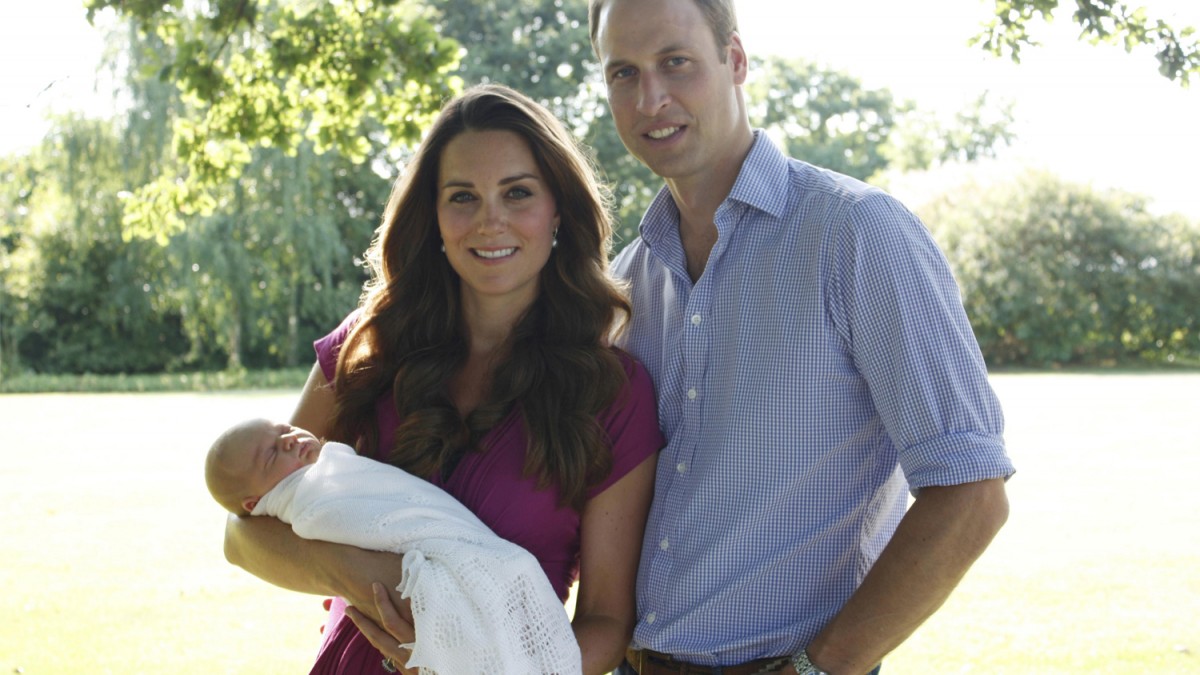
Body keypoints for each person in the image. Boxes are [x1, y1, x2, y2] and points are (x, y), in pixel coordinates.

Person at [587, 1, 1017, 674]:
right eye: (623, 73)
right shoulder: (623, 284)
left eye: (676, 62)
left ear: (735, 60)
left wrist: (821, 667)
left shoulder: (857, 234)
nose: (650, 98)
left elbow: (971, 493)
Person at [221, 84, 664, 675]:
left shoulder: (613, 393)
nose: (490, 221)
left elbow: (607, 620)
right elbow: (243, 534)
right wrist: (354, 572)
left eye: (518, 193)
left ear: (558, 209)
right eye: (463, 197)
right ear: (432, 214)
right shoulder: (369, 344)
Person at [205, 418, 582, 674]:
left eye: (284, 429)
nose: (289, 439)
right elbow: (238, 537)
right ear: (255, 502)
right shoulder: (307, 504)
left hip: (481, 578)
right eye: (272, 453)